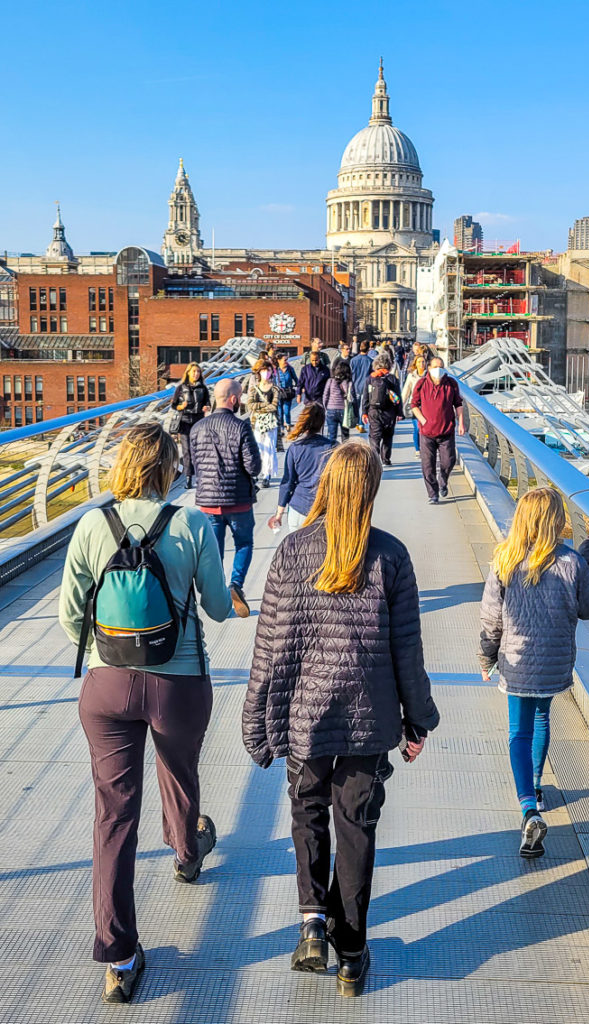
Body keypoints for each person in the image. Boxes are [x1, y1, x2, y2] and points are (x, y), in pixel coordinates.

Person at [243, 442, 439, 997]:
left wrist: (258, 720)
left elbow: (271, 646)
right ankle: (351, 953)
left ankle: (310, 925)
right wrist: (416, 720)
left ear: (326, 484)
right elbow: (408, 651)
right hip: (368, 719)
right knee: (356, 827)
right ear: (372, 491)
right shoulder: (391, 557)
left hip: (306, 717)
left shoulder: (291, 552)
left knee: (307, 811)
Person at [59, 423, 232, 1005]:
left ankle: (119, 955)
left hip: (105, 687)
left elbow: (68, 617)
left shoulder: (89, 524)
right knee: (178, 770)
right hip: (177, 681)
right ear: (169, 468)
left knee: (114, 815)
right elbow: (215, 606)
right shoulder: (192, 524)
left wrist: (107, 648)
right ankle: (186, 851)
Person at [478, 487, 589, 859]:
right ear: (556, 521)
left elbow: (490, 619)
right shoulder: (571, 562)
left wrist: (486, 657)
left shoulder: (505, 559)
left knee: (518, 732)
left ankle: (528, 809)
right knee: (543, 717)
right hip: (554, 661)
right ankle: (535, 785)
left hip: (516, 661)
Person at [190, 377, 261, 618]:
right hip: (238, 499)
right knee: (243, 543)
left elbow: (194, 465)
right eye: (240, 397)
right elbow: (253, 468)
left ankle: (219, 593)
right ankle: (236, 584)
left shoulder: (197, 428)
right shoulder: (241, 427)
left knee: (214, 549)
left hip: (208, 501)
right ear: (233, 399)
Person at [268, 403, 334, 532]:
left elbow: (287, 483)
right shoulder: (333, 448)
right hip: (325, 510)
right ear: (322, 423)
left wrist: (279, 514)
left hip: (299, 507)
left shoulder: (296, 448)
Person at [411, 357, 464, 504]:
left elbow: (458, 404)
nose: (438, 369)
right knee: (428, 465)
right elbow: (414, 404)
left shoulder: (451, 384)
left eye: (441, 366)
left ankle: (443, 480)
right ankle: (433, 494)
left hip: (446, 431)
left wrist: (461, 423)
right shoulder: (421, 384)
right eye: (435, 366)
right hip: (427, 433)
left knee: (448, 461)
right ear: (429, 368)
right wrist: (423, 420)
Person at [170, 363, 211, 489]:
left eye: (198, 372)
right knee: (187, 450)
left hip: (198, 421)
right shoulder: (181, 388)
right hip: (185, 422)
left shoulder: (203, 388)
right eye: (194, 371)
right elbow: (173, 405)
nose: (196, 374)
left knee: (198, 450)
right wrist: (180, 407)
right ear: (188, 373)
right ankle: (188, 478)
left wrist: (207, 407)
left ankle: (200, 476)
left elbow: (208, 403)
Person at [361, 354, 402, 467]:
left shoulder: (370, 378)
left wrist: (364, 412)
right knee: (388, 436)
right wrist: (399, 413)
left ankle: (375, 458)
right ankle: (386, 459)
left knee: (374, 436)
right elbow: (398, 397)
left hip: (373, 411)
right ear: (389, 365)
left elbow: (366, 396)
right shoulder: (392, 378)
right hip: (390, 412)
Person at [247, 358, 280, 487]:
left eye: (268, 370)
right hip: (257, 423)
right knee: (258, 448)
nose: (266, 373)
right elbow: (250, 405)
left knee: (269, 448)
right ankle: (256, 473)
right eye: (263, 370)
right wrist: (266, 406)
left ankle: (267, 475)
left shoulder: (275, 389)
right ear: (258, 372)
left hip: (271, 424)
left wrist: (260, 407)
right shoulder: (254, 389)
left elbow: (275, 406)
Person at [323, 359, 355, 444]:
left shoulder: (330, 381)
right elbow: (352, 398)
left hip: (331, 410)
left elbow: (325, 395)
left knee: (332, 436)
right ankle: (344, 453)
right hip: (344, 411)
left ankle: (332, 452)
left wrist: (326, 407)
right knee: (345, 435)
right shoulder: (348, 382)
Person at [401, 355, 427, 459]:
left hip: (427, 406)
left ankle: (425, 447)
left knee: (425, 428)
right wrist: (399, 408)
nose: (422, 364)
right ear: (415, 364)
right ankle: (417, 449)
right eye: (419, 362)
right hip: (415, 406)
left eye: (423, 362)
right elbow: (406, 391)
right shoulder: (411, 376)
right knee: (417, 428)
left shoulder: (429, 375)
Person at [350, 340, 374, 434]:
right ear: (368, 349)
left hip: (355, 385)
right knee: (363, 407)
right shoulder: (370, 361)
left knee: (355, 405)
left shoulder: (353, 360)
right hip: (365, 386)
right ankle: (361, 424)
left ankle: (356, 422)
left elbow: (351, 374)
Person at [275, 353, 299, 434]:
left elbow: (296, 379)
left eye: (287, 360)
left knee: (286, 411)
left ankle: (288, 425)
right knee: (280, 412)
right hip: (279, 393)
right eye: (284, 360)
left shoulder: (290, 369)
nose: (286, 362)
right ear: (279, 361)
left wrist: (299, 389)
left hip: (288, 392)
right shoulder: (276, 370)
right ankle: (281, 428)